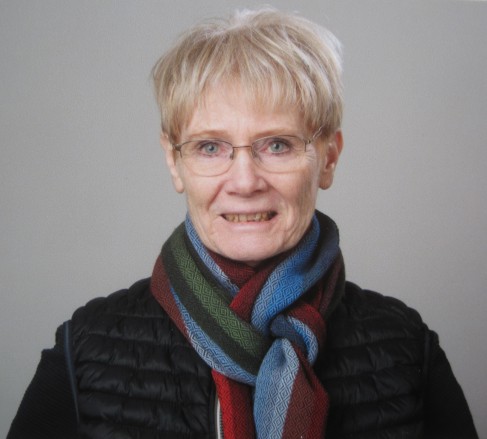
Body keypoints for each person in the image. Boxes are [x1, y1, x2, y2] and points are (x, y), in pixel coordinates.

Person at [8, 8, 478, 439]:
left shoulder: (406, 350)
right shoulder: (84, 349)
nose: (245, 181)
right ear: (174, 163)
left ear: (329, 158)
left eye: (277, 145)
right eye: (210, 147)